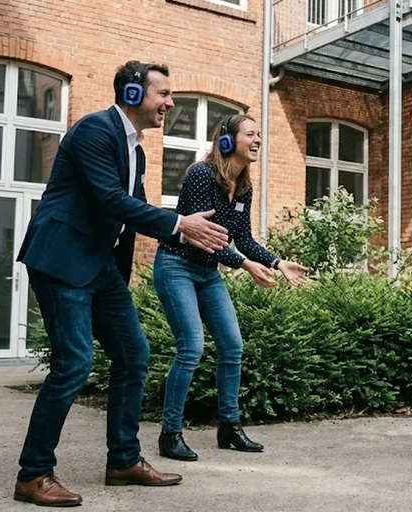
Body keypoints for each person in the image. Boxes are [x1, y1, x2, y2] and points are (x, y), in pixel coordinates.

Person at [14, 60, 231, 507]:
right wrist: (178, 225)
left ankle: (123, 461)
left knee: (134, 353)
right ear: (133, 94)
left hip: (100, 268)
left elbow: (130, 212)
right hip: (63, 260)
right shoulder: (94, 130)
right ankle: (33, 474)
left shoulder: (138, 149)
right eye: (163, 94)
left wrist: (174, 235)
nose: (170, 103)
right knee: (74, 363)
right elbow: (110, 201)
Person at [155, 114, 308, 461]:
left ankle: (229, 428)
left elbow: (245, 239)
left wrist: (276, 263)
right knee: (191, 348)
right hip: (177, 266)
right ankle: (170, 433)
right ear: (227, 141)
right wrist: (243, 264)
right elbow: (201, 237)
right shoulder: (201, 175)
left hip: (207, 273)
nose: (257, 140)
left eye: (259, 135)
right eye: (250, 134)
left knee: (232, 346)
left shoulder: (244, 186)